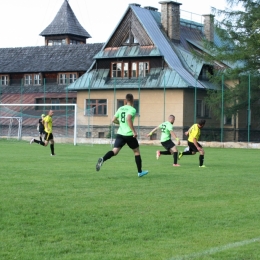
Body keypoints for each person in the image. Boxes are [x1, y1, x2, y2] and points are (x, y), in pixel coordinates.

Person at [95, 93, 148, 177]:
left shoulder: (120, 108)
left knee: (115, 151)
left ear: (126, 100)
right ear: (132, 100)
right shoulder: (132, 109)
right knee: (136, 151)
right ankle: (140, 172)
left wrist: (120, 123)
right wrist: (134, 131)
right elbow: (128, 118)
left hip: (120, 133)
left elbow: (113, 120)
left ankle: (103, 159)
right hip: (129, 134)